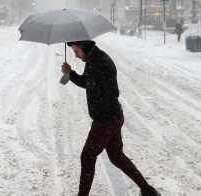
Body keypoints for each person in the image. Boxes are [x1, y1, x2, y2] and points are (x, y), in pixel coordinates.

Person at [61, 40, 160, 196]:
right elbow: (88, 82)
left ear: (84, 47)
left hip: (106, 119)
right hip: (112, 116)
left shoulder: (99, 62)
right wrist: (70, 73)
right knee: (116, 156)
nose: (75, 55)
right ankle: (147, 190)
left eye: (76, 51)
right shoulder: (94, 58)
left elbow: (89, 82)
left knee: (87, 156)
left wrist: (70, 74)